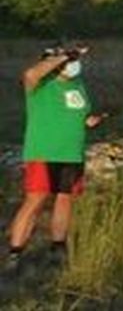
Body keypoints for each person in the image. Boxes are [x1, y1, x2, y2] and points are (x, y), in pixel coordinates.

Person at [6, 44, 104, 273]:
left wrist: (91, 121)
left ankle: (57, 246)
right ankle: (15, 251)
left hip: (72, 152)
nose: (71, 65)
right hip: (44, 152)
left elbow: (81, 115)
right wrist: (64, 56)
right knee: (36, 200)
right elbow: (29, 74)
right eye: (66, 62)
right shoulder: (40, 85)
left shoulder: (78, 85)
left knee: (65, 198)